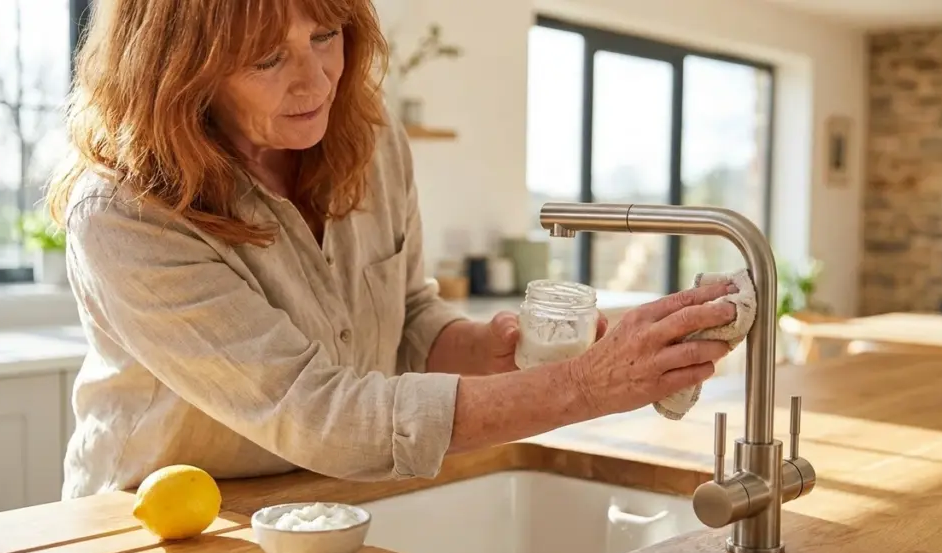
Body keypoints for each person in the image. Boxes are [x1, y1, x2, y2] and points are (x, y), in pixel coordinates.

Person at [48, 0, 738, 500]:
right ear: (180, 72)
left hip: (327, 500)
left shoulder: (370, 144)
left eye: (326, 35)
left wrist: (490, 350)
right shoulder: (124, 212)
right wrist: (588, 386)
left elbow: (406, 319)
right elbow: (315, 410)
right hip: (156, 529)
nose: (316, 80)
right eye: (267, 58)